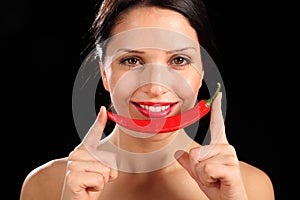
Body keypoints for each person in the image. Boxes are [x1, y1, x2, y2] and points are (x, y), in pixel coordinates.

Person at [20, 0, 275, 199]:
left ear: (201, 74)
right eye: (132, 60)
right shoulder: (46, 185)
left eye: (179, 60)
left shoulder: (250, 187)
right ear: (104, 74)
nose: (155, 87)